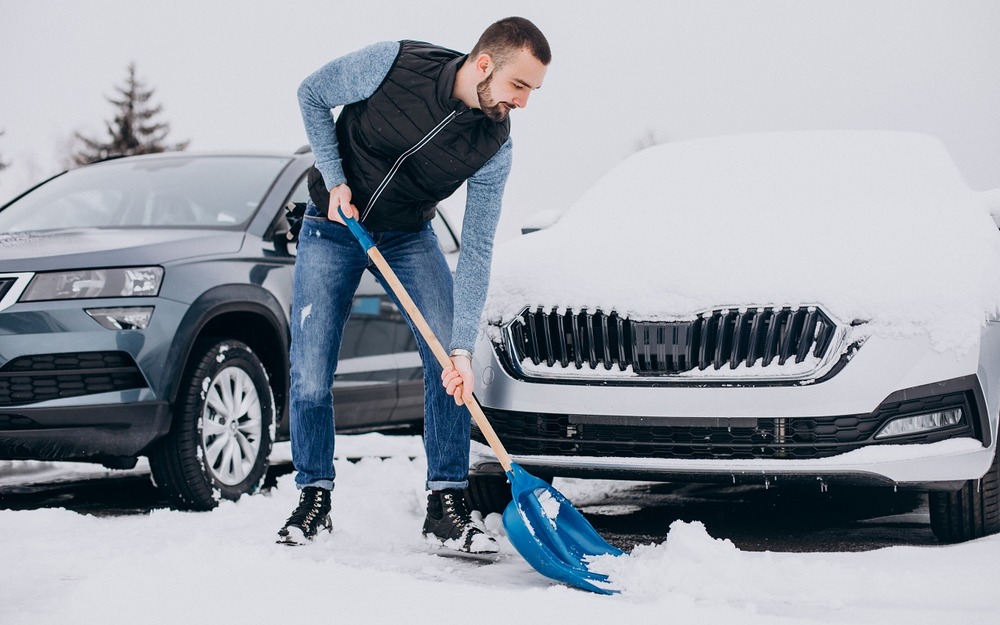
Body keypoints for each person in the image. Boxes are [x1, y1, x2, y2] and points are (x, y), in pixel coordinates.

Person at [277, 17, 551, 554]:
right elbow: (312, 94)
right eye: (519, 86)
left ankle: (446, 504)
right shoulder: (394, 62)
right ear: (483, 64)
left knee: (449, 365)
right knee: (310, 371)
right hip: (333, 225)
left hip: (407, 235)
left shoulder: (495, 144)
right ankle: (313, 498)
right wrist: (335, 179)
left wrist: (463, 346)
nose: (523, 103)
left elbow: (475, 249)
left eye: (533, 91)